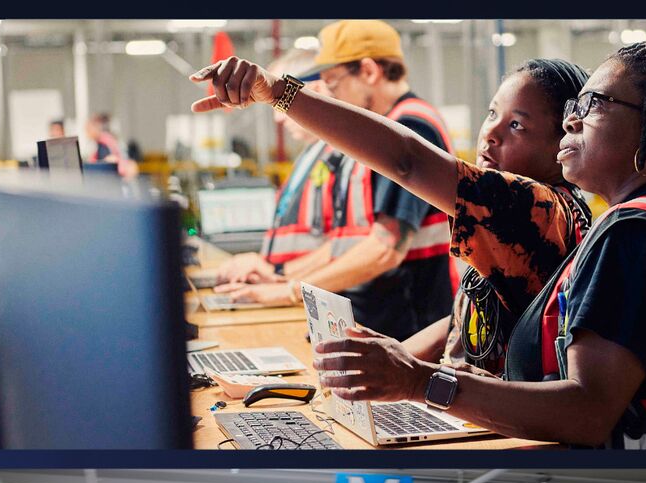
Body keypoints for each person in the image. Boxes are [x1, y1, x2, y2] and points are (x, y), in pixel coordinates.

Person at [237, 29, 646, 449]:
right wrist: (399, 367)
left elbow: (587, 412)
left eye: (592, 105)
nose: (575, 118)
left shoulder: (592, 222)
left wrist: (276, 91)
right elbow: (477, 313)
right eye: (491, 115)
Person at [196, 54, 589, 375]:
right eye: (492, 113)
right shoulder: (523, 213)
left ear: (565, 140)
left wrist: (280, 92)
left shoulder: (537, 209)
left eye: (517, 125)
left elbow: (406, 161)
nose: (490, 133)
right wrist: (390, 358)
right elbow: (464, 316)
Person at [208, 22, 454, 341]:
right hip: (383, 328)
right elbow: (344, 245)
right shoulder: (377, 135)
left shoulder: (409, 128)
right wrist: (283, 279)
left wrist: (288, 290)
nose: (330, 95)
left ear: (368, 71)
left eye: (333, 82)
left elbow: (385, 249)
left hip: (406, 332)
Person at [211, 52, 349, 286]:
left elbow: (346, 247)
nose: (278, 118)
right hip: (294, 290)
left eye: (281, 101)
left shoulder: (342, 156)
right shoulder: (311, 155)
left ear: (315, 90)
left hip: (318, 296)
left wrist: (277, 272)